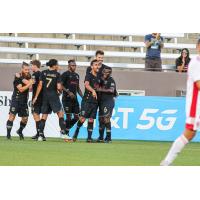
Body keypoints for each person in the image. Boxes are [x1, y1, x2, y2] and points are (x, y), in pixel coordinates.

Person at [160, 39, 200, 166]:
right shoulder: (196, 62)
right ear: (198, 47)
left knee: (190, 134)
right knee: (189, 134)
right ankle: (166, 162)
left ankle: (166, 162)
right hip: (196, 105)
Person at [32, 59, 71, 141]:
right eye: (57, 64)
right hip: (53, 96)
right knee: (60, 114)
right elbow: (59, 87)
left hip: (45, 96)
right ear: (54, 65)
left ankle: (40, 135)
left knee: (44, 116)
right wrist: (60, 92)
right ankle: (63, 133)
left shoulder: (43, 72)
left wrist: (35, 97)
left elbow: (40, 85)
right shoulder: (57, 74)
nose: (58, 65)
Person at [73, 59, 100, 142]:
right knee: (82, 119)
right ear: (92, 66)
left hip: (95, 102)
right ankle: (76, 132)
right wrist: (93, 91)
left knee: (91, 119)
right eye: (95, 65)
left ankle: (89, 138)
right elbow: (86, 85)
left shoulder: (99, 77)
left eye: (98, 65)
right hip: (87, 101)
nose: (97, 66)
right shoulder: (89, 75)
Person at [6, 62, 33, 140]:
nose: (27, 71)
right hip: (16, 100)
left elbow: (30, 87)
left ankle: (20, 131)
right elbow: (21, 89)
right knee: (12, 116)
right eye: (25, 69)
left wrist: (27, 82)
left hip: (24, 101)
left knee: (25, 118)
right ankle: (8, 135)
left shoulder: (28, 76)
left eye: (28, 69)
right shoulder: (17, 77)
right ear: (22, 69)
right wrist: (29, 83)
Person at [61, 59, 83, 135]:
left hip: (75, 99)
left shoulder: (77, 75)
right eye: (72, 65)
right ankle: (66, 133)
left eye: (75, 65)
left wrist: (83, 97)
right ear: (69, 66)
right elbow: (60, 85)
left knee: (77, 117)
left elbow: (78, 88)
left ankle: (65, 129)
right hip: (66, 99)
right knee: (68, 117)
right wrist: (68, 92)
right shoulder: (65, 74)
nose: (74, 67)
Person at [97, 68, 117, 143]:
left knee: (106, 118)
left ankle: (109, 138)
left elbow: (111, 90)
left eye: (108, 72)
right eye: (105, 72)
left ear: (110, 73)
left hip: (108, 102)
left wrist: (100, 89)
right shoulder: (100, 79)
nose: (106, 73)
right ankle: (101, 138)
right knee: (101, 120)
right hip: (101, 103)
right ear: (102, 72)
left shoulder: (111, 80)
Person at [30, 60, 43, 140]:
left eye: (31, 65)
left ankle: (39, 133)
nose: (31, 67)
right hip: (43, 97)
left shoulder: (34, 74)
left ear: (35, 65)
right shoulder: (42, 73)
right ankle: (39, 133)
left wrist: (35, 97)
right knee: (40, 115)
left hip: (37, 97)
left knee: (36, 115)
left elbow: (31, 87)